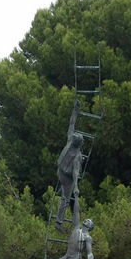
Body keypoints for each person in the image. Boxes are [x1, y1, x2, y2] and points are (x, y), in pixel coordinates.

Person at [55, 98, 84, 232]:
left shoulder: (69, 140)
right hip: (67, 178)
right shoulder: (77, 155)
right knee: (66, 199)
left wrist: (75, 110)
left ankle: (60, 190)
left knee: (64, 189)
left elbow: (72, 122)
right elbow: (76, 172)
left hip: (59, 171)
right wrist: (76, 187)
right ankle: (58, 222)